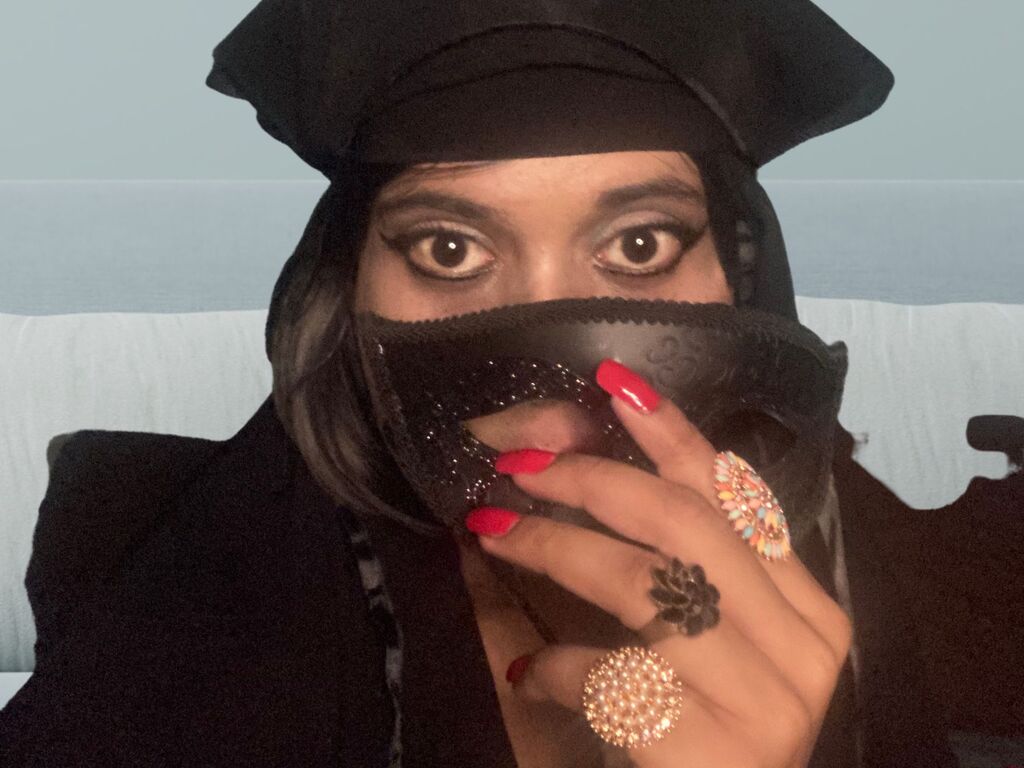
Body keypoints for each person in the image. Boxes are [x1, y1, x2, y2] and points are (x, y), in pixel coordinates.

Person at [2, 1, 1021, 766]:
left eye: (639, 243)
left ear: (739, 275)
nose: (550, 363)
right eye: (449, 247)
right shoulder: (188, 607)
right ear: (349, 291)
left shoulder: (830, 546)